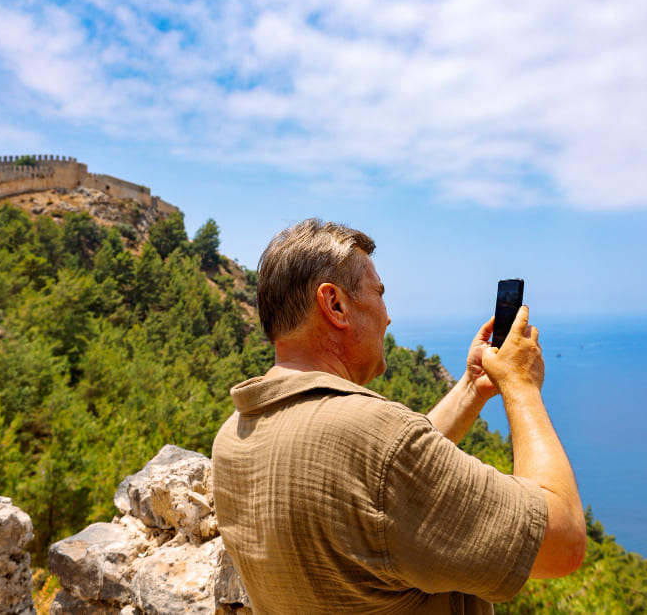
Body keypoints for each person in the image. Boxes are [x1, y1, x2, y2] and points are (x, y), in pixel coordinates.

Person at [212, 219, 585, 613]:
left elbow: (383, 491)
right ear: (335, 304)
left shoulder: (234, 437)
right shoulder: (370, 439)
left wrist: (472, 388)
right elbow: (563, 542)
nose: (388, 318)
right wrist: (521, 386)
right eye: (378, 293)